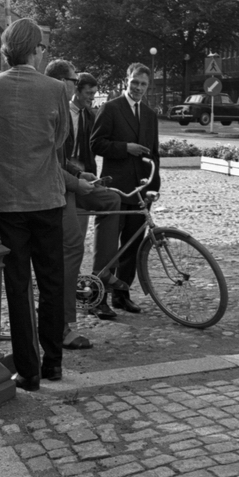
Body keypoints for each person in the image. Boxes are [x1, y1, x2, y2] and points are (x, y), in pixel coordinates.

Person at [0, 18, 69, 391]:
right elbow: (60, 139)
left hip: (7, 200)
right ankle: (53, 362)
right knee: (51, 282)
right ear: (36, 49)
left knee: (17, 286)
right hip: (46, 197)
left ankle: (29, 369)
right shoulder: (55, 88)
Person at [45, 61, 122, 346]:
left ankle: (102, 274)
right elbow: (49, 163)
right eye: (74, 81)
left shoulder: (80, 112)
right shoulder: (52, 110)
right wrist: (76, 181)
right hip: (55, 188)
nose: (77, 87)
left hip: (71, 179)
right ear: (62, 83)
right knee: (72, 245)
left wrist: (81, 174)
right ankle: (63, 325)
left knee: (112, 199)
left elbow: (62, 159)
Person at [90, 63, 161, 313]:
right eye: (135, 83)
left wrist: (153, 186)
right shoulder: (111, 108)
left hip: (140, 191)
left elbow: (154, 154)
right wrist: (125, 148)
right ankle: (97, 298)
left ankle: (122, 294)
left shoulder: (150, 115)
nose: (138, 88)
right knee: (107, 245)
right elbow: (96, 143)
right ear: (126, 81)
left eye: (143, 84)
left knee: (133, 245)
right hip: (116, 188)